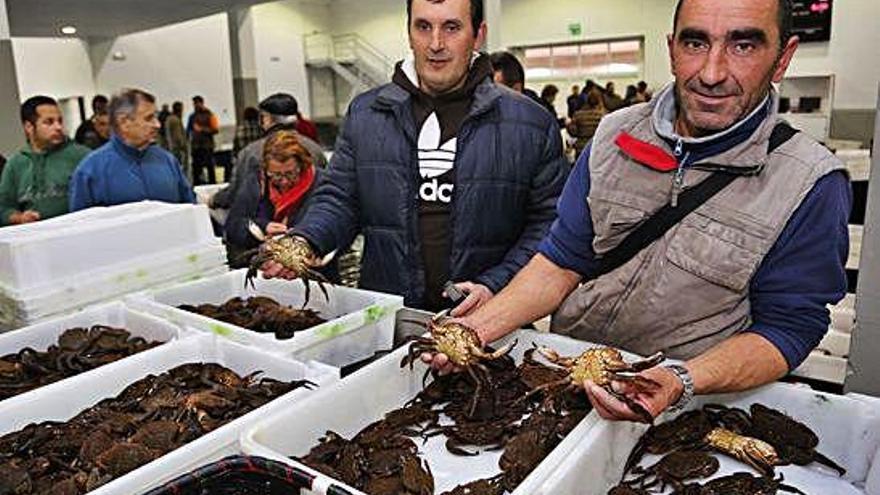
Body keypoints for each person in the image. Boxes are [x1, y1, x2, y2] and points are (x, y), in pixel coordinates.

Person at [424, 0, 851, 424]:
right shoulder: (614, 136)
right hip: (570, 386)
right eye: (695, 43)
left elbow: (787, 328)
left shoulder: (808, 182)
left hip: (687, 410)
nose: (712, 73)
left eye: (744, 46)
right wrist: (476, 330)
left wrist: (681, 380)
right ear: (671, 49)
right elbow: (560, 261)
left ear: (783, 59)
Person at [261, 0, 567, 314]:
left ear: (478, 36)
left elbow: (549, 222)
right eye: (423, 27)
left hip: (492, 320)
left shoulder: (530, 123)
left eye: (451, 27)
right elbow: (340, 199)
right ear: (409, 33)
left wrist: (497, 283)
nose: (435, 44)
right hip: (390, 320)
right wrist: (307, 238)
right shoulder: (367, 114)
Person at [69, 89, 195, 211]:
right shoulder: (90, 171)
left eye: (155, 117)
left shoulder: (168, 161)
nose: (157, 124)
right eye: (149, 118)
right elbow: (81, 226)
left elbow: (190, 208)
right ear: (124, 122)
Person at [211, 93, 327, 212]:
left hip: (266, 224)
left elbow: (236, 193)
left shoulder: (251, 153)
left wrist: (214, 199)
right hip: (311, 219)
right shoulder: (315, 149)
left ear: (267, 119)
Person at [225, 130, 323, 261]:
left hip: (312, 265)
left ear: (302, 164)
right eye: (276, 175)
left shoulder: (321, 183)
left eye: (290, 173)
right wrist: (262, 227)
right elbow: (233, 225)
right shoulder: (257, 182)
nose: (284, 181)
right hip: (266, 266)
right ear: (266, 168)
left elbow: (335, 226)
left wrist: (305, 235)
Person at [0, 96, 91, 226]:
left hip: (78, 230)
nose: (58, 127)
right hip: (37, 237)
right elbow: (3, 208)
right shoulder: (15, 164)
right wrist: (19, 218)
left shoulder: (82, 156)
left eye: (60, 121)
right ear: (29, 127)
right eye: (49, 122)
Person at [188, 95, 219, 185]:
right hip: (196, 146)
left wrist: (202, 129)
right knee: (196, 170)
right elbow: (188, 130)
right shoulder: (192, 116)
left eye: (197, 103)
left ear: (202, 103)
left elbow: (216, 130)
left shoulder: (210, 114)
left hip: (207, 146)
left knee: (210, 169)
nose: (195, 106)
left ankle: (212, 185)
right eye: (194, 104)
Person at [567, 90, 605, 158]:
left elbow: (573, 132)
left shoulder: (578, 115)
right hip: (598, 149)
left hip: (581, 149)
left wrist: (568, 125)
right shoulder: (604, 116)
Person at [166, 101, 190, 183]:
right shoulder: (175, 120)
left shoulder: (169, 119)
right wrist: (184, 146)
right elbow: (178, 137)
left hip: (172, 148)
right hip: (178, 150)